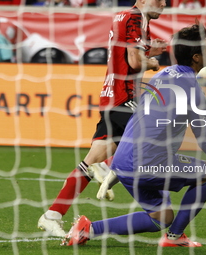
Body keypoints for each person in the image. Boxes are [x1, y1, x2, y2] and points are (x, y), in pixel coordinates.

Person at [62, 22, 206, 247]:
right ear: (196, 57)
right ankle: (175, 237)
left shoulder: (163, 75)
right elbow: (204, 140)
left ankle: (89, 229)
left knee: (161, 217)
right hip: (147, 164)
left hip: (124, 162)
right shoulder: (193, 91)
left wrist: (116, 167)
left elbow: (138, 119)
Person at [37, 0, 167, 237]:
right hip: (123, 96)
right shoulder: (135, 18)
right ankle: (109, 168)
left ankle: (52, 215)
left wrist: (150, 51)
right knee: (156, 130)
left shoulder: (127, 18)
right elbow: (135, 62)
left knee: (89, 162)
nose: (164, 3)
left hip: (111, 94)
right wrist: (153, 63)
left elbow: (126, 55)